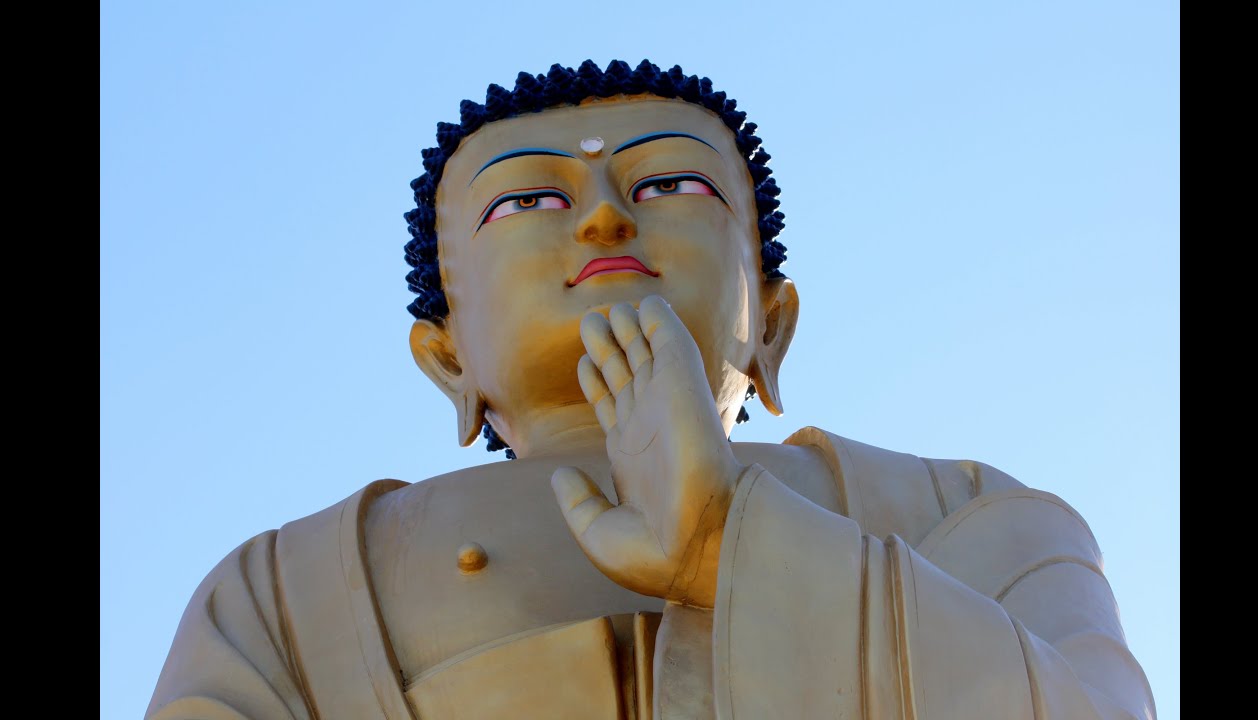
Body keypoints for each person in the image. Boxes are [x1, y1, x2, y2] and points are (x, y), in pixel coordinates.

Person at [147, 60, 1155, 720]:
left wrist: (738, 544)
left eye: (670, 185)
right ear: (446, 358)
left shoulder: (962, 513)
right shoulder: (283, 592)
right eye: (528, 199)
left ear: (770, 323)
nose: (599, 220)